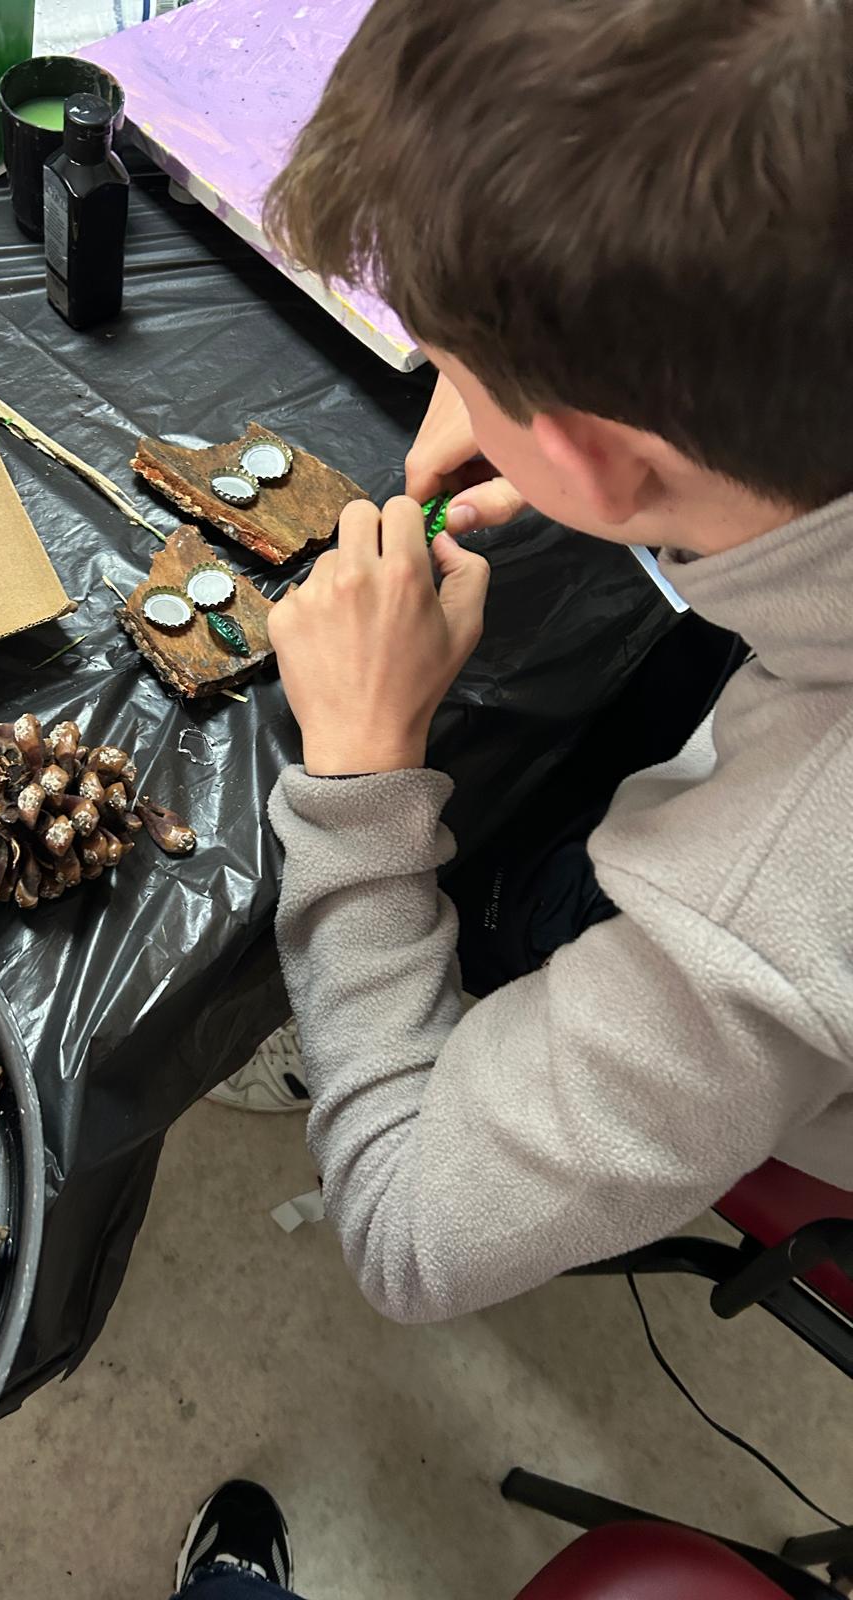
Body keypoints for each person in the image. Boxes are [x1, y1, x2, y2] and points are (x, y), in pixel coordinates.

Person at [243, 0, 853, 1324]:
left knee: (514, 875)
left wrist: (359, 780)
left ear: (591, 453)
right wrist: (572, 422)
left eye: (451, 367)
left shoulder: (779, 889)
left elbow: (409, 1228)